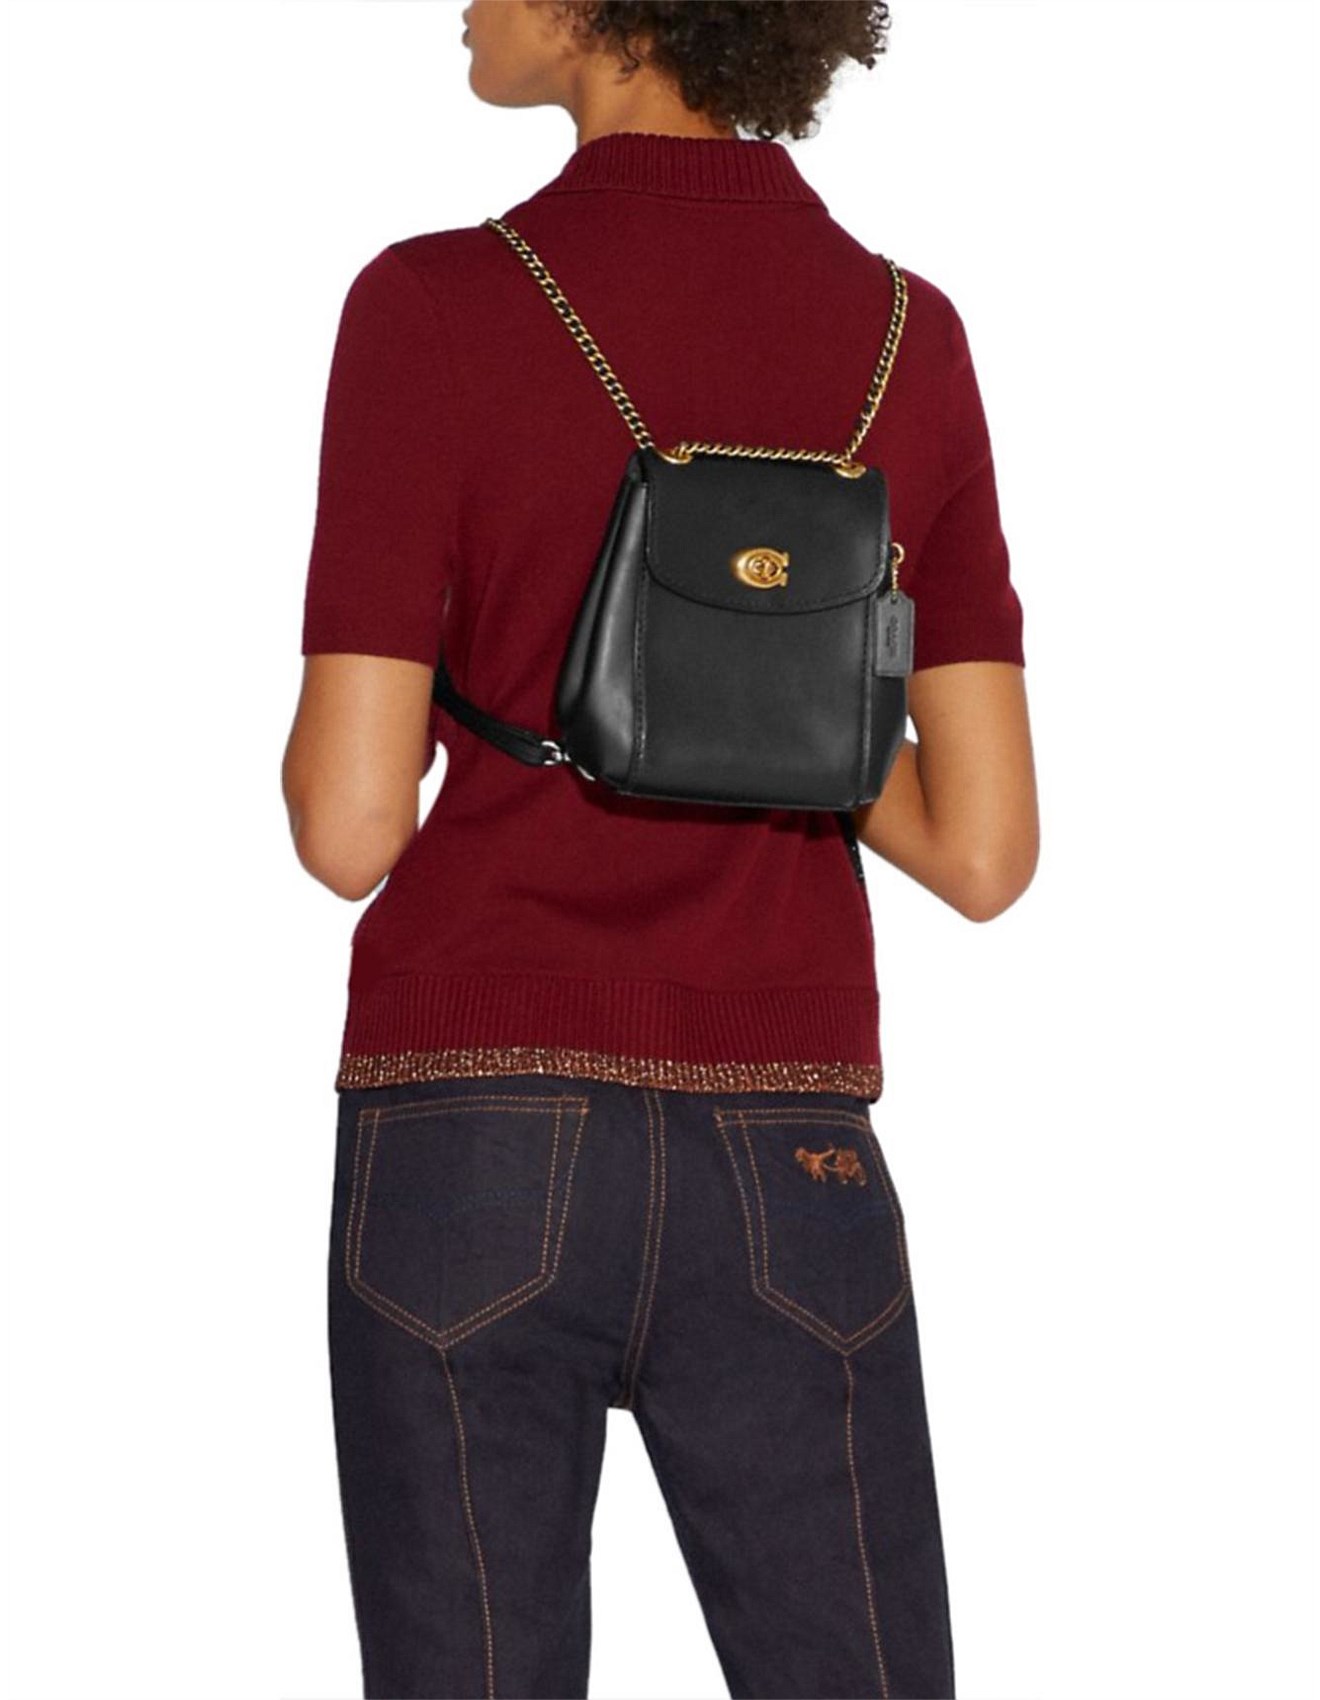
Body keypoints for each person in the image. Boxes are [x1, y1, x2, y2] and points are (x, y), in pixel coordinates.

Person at [282, 2, 1039, 1695]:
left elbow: (347, 827)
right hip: (790, 1140)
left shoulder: (432, 304)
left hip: (469, 1124)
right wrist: (760, 692)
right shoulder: (907, 333)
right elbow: (984, 849)